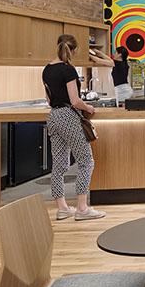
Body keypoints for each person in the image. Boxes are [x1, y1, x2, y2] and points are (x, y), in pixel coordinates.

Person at [43, 34, 104, 221]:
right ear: (74, 50)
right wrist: (89, 107)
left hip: (53, 116)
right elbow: (75, 101)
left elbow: (48, 99)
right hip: (68, 117)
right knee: (86, 161)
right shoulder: (68, 70)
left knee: (59, 165)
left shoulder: (46, 69)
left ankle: (62, 208)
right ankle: (82, 208)